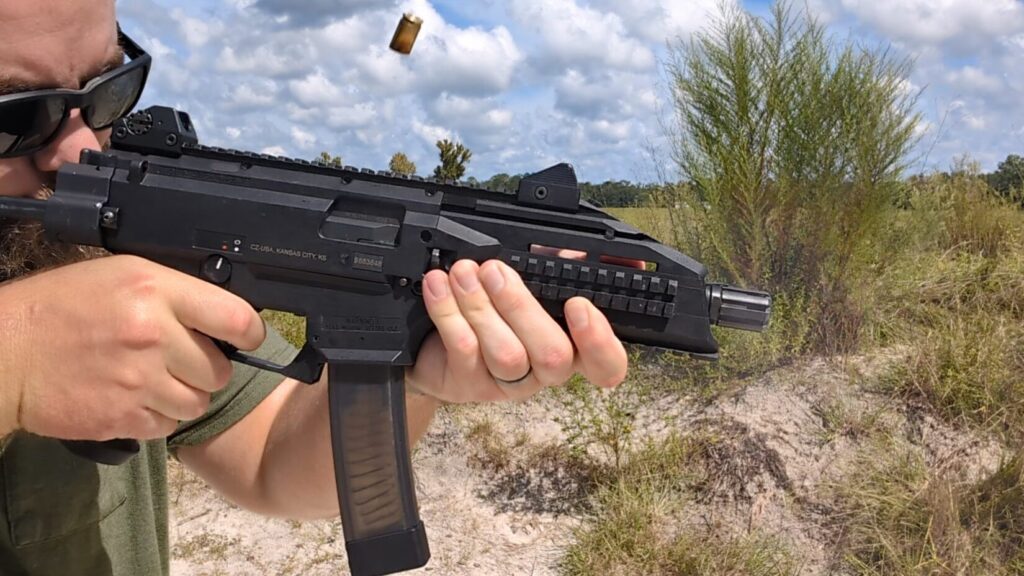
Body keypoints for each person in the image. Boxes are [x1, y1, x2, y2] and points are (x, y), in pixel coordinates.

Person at [0, 1, 631, 574]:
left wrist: (406, 367)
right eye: (19, 116)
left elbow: (271, 459)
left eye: (109, 93)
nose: (78, 149)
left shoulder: (92, 255)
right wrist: (17, 358)